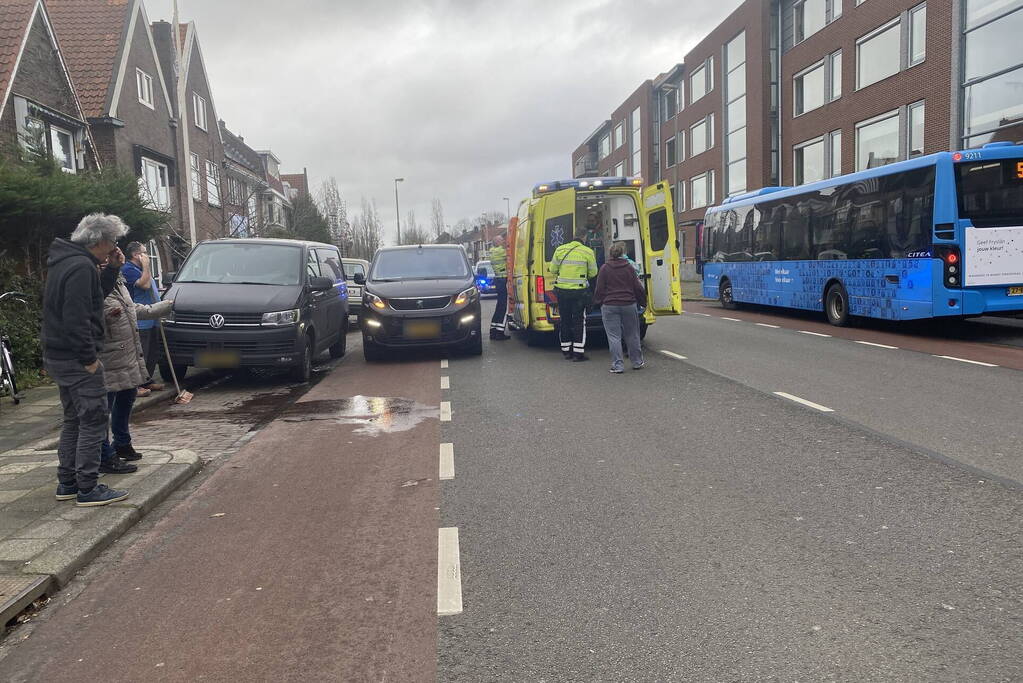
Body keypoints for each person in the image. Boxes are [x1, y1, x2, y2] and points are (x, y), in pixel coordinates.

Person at [42, 214, 130, 507]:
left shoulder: (66, 261)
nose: (114, 247)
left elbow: (93, 299)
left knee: (73, 419)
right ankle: (88, 488)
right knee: (93, 420)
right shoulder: (81, 267)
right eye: (113, 241)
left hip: (58, 354)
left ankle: (67, 482)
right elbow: (77, 317)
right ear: (101, 240)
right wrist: (89, 358)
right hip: (77, 359)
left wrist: (112, 269)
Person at [99, 260, 173, 473]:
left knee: (127, 397)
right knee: (103, 408)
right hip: (108, 357)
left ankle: (122, 443)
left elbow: (131, 308)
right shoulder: (92, 287)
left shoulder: (119, 283)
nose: (107, 261)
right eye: (103, 258)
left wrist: (163, 307)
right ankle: (104, 455)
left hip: (128, 354)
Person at [593, 242, 647, 374]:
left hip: (610, 305)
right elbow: (637, 287)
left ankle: (618, 366)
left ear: (610, 254)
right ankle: (637, 362)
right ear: (622, 253)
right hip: (628, 304)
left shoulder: (605, 268)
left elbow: (599, 288)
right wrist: (643, 302)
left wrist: (598, 302)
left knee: (614, 336)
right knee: (632, 334)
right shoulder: (629, 268)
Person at [121, 241, 163, 396]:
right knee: (141, 353)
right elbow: (144, 285)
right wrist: (146, 266)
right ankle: (136, 385)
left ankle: (147, 380)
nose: (147, 256)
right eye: (144, 252)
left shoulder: (140, 269)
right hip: (141, 319)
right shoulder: (128, 269)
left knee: (152, 352)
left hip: (152, 318)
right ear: (135, 255)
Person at [550, 227, 598, 361]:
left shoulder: (560, 250)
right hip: (579, 293)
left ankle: (566, 351)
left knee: (564, 320)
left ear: (573, 235)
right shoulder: (588, 251)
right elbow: (593, 273)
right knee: (579, 321)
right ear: (584, 237)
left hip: (562, 291)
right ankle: (578, 353)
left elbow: (553, 269)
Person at [488, 234, 510, 340]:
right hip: (501, 279)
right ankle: (499, 333)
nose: (504, 241)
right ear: (497, 242)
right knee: (502, 306)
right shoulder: (500, 251)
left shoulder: (492, 251)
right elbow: (512, 253)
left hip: (498, 279)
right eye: (501, 240)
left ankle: (493, 331)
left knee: (499, 306)